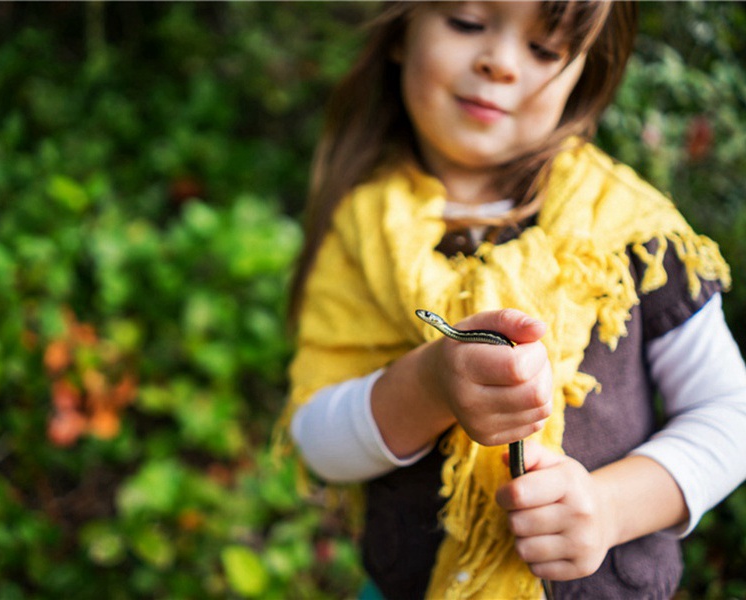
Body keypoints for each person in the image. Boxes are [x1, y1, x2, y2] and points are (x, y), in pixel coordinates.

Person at [274, 2, 746, 598]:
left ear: (583, 72)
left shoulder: (627, 228)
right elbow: (317, 439)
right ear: (402, 30)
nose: (498, 62)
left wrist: (609, 508)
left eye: (545, 50)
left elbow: (732, 412)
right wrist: (426, 387)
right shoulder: (366, 230)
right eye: (467, 22)